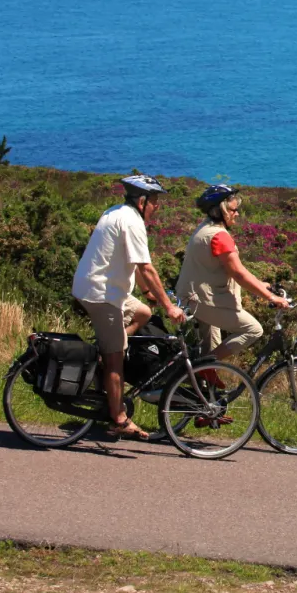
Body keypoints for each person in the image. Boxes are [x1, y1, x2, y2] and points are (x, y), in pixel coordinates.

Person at [72, 174, 185, 440]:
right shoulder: (132, 222)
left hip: (101, 288)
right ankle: (119, 418)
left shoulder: (115, 212)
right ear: (142, 200)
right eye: (155, 201)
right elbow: (146, 266)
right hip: (101, 295)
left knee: (143, 312)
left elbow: (128, 259)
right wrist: (169, 307)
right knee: (116, 359)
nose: (157, 206)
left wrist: (148, 294)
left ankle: (108, 355)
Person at [176, 184, 291, 363]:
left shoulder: (204, 228)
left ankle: (204, 382)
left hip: (194, 297)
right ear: (219, 210)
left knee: (213, 346)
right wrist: (271, 297)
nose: (237, 214)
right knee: (253, 329)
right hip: (205, 301)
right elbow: (238, 273)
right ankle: (199, 368)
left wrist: (260, 285)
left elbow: (225, 269)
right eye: (233, 210)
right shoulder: (219, 236)